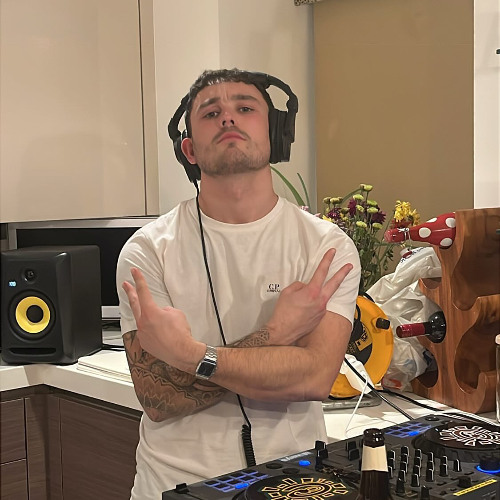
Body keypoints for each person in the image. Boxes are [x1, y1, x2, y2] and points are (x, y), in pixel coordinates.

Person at [116, 68, 361, 499]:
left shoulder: (326, 247)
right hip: (172, 484)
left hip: (295, 483)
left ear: (275, 134)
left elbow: (313, 377)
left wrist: (188, 355)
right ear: (189, 150)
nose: (228, 118)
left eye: (245, 108)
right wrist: (276, 334)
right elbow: (156, 397)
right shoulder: (147, 251)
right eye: (211, 113)